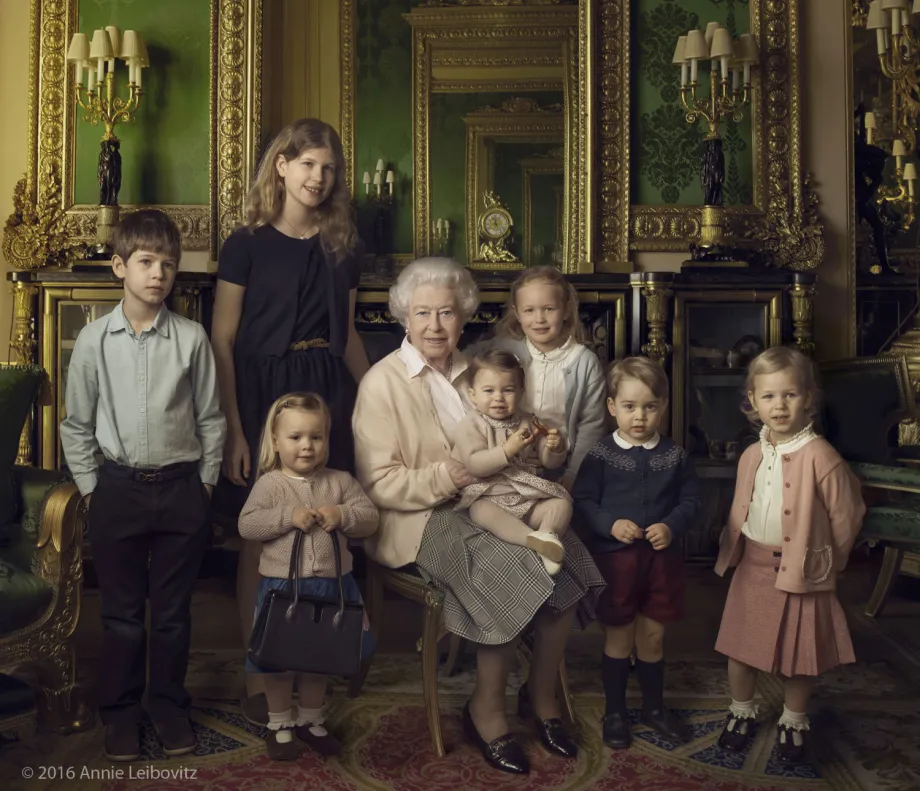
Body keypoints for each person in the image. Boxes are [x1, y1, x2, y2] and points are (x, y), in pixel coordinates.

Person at [353, 258, 605, 776]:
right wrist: (450, 478)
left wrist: (542, 451)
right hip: (421, 516)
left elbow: (519, 445)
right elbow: (379, 485)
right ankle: (485, 709)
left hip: (494, 501)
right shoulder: (382, 384)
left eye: (447, 312)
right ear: (404, 316)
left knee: (569, 559)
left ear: (464, 316)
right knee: (510, 566)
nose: (435, 325)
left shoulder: (481, 370)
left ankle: (541, 699)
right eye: (423, 312)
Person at [211, 118, 371, 724]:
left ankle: (324, 657)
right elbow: (223, 338)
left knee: (332, 525)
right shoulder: (245, 243)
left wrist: (373, 394)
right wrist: (233, 426)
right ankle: (262, 670)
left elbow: (350, 333)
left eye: (328, 168)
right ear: (281, 165)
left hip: (326, 388)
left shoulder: (342, 245)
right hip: (262, 393)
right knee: (264, 534)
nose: (318, 178)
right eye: (307, 164)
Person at [61, 209, 226, 762]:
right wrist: (91, 490)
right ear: (119, 267)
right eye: (147, 262)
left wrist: (204, 486)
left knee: (174, 613)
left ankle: (169, 706)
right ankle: (121, 713)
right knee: (123, 615)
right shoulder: (92, 341)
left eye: (169, 265)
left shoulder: (192, 339)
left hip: (181, 490)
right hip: (118, 491)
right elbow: (76, 425)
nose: (158, 274)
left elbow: (210, 419)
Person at [713, 347, 865, 764]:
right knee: (740, 649)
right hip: (754, 565)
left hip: (803, 571)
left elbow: (848, 515)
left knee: (800, 657)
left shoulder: (822, 456)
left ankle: (794, 719)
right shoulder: (751, 454)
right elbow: (742, 507)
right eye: (769, 396)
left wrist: (827, 561)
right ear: (752, 401)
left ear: (809, 398)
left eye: (790, 395)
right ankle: (741, 712)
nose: (779, 405)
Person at [239, 392, 378, 761]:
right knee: (280, 661)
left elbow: (370, 517)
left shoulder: (341, 482)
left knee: (321, 658)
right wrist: (287, 516)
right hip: (283, 590)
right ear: (275, 441)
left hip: (333, 588)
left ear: (327, 439)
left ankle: (311, 719)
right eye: (296, 437)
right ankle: (281, 722)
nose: (306, 446)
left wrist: (343, 516)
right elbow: (248, 525)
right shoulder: (270, 485)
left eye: (316, 437)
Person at [572, 357, 700, 750]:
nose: (639, 416)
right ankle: (615, 712)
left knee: (654, 636)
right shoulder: (601, 455)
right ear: (612, 407)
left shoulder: (675, 456)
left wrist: (671, 525)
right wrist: (610, 523)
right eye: (629, 407)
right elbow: (583, 500)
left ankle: (654, 708)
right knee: (619, 637)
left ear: (663, 406)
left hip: (661, 563)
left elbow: (692, 499)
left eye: (649, 406)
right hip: (618, 563)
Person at [476, 266, 606, 491]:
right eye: (529, 310)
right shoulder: (504, 350)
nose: (539, 319)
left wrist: (573, 474)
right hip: (508, 459)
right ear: (517, 313)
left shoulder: (584, 362)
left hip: (561, 462)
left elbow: (591, 426)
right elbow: (465, 368)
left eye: (549, 309)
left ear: (566, 310)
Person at [454, 348, 572, 575]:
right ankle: (532, 540)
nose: (498, 397)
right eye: (488, 390)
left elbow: (549, 464)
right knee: (479, 511)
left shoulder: (529, 421)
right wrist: (507, 450)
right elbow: (474, 464)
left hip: (527, 496)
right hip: (491, 494)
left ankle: (547, 535)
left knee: (561, 504)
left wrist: (555, 448)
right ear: (473, 395)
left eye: (507, 390)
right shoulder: (470, 425)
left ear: (521, 392)